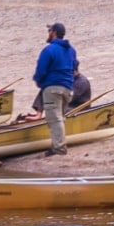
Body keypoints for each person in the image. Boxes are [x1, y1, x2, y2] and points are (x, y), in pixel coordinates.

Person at [33, 22, 79, 155]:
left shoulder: (49, 50)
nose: (48, 33)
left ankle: (59, 148)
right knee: (60, 117)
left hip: (52, 88)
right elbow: (74, 66)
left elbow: (41, 70)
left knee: (54, 119)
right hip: (67, 88)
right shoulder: (71, 50)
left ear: (53, 32)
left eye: (49, 31)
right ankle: (57, 144)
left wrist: (39, 82)